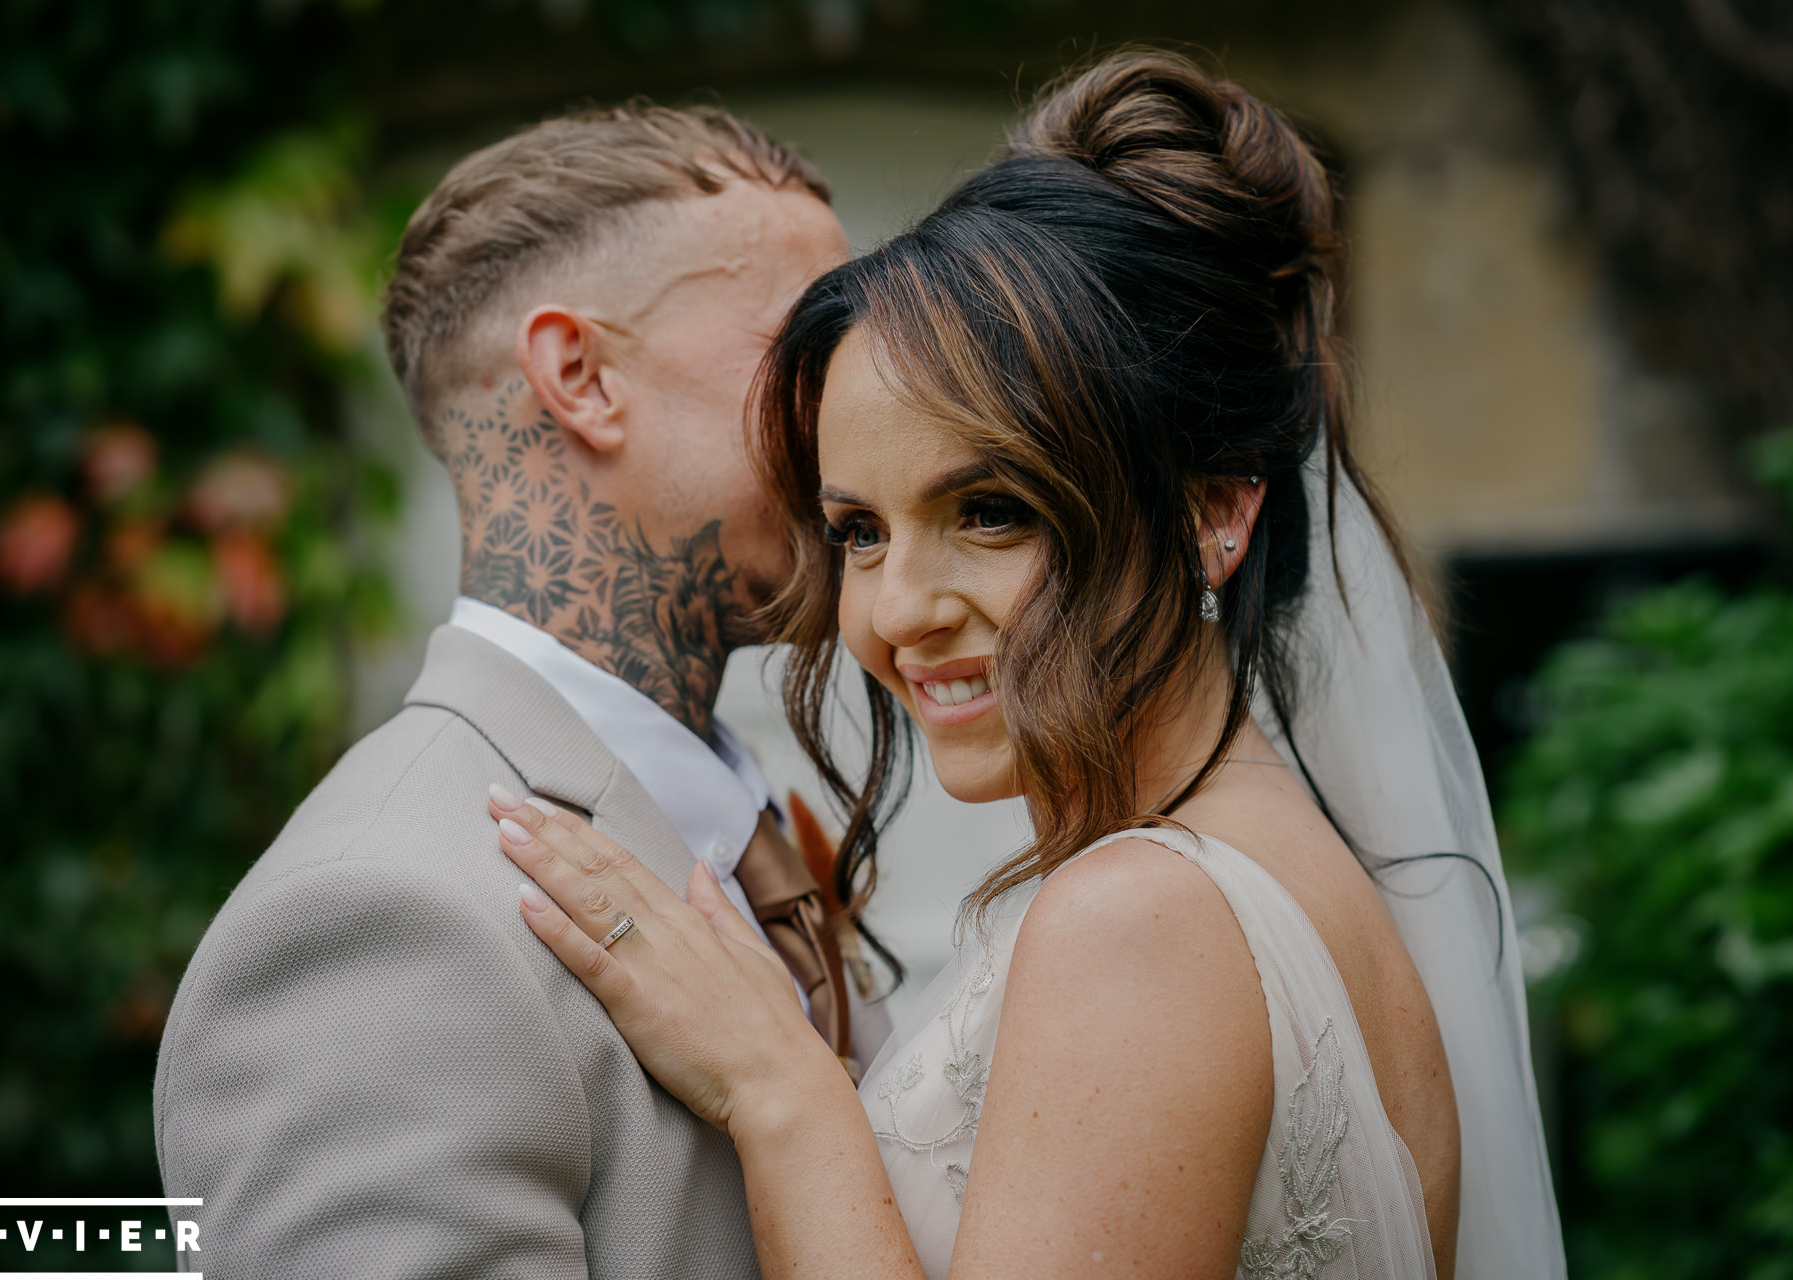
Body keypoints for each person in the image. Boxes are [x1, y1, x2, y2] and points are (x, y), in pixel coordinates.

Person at [488, 50, 1567, 1279]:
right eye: (860, 531)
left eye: (993, 509)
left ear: (1215, 509)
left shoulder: (1141, 920)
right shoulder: (1305, 865)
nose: (899, 610)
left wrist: (776, 1091)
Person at [153, 103, 870, 1277]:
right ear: (580, 376)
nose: (865, 410)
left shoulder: (748, 834)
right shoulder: (384, 925)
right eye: (812, 356)